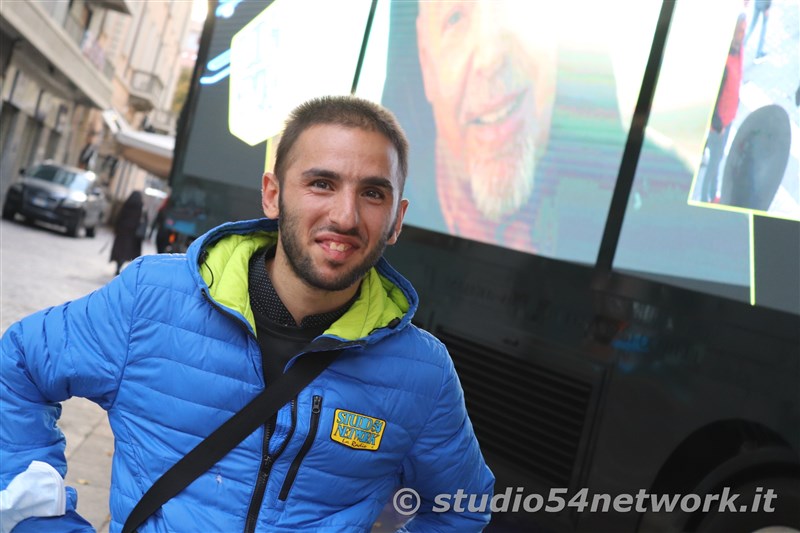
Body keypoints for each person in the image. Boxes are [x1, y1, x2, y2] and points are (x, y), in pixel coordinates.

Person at [0, 96, 495, 532]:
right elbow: (16, 368)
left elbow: (462, 507)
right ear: (273, 194)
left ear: (396, 220)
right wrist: (40, 520)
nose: (345, 216)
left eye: (372, 192)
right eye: (321, 183)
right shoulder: (153, 298)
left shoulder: (423, 374)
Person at [701, 13, 746, 204]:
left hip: (729, 117)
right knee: (714, 163)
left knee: (717, 159)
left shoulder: (739, 50)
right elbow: (712, 100)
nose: (744, 34)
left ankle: (712, 195)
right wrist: (718, 126)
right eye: (741, 30)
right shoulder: (724, 63)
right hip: (719, 124)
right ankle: (705, 199)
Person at [109, 190, 147, 275]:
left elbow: (119, 217)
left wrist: (116, 228)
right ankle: (129, 270)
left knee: (120, 251)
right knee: (128, 252)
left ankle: (118, 267)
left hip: (122, 232)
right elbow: (143, 221)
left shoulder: (126, 205)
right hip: (132, 235)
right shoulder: (140, 208)